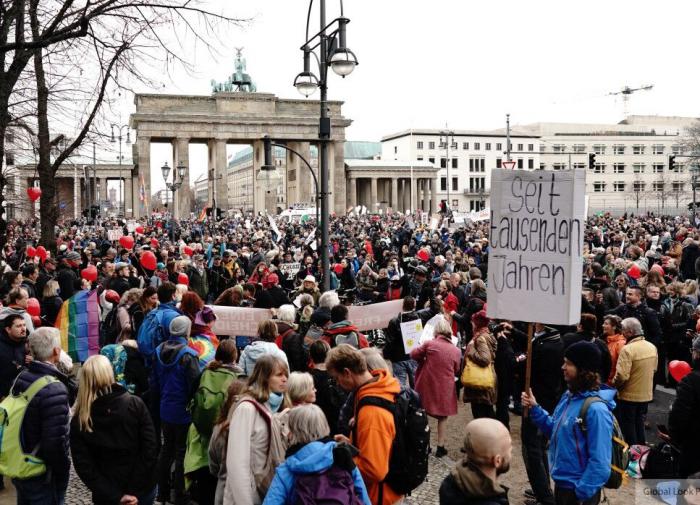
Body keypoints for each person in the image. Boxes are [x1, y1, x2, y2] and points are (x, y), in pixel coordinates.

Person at [522, 341, 615, 505]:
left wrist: (581, 492)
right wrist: (535, 408)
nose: (563, 367)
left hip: (578, 492)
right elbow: (556, 431)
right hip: (563, 485)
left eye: (569, 363)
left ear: (584, 370)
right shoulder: (568, 397)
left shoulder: (596, 410)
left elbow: (600, 462)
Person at [70, 355, 158, 505]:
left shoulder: (81, 419)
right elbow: (150, 449)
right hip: (141, 490)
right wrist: (133, 491)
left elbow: (84, 466)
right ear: (110, 373)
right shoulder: (135, 405)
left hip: (107, 495)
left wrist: (114, 495)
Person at [325, 344, 403, 505]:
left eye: (336, 378)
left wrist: (343, 457)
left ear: (347, 372)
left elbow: (374, 470)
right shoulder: (378, 388)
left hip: (379, 497)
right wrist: (351, 444)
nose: (337, 384)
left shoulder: (372, 411)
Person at [262, 404, 371, 505]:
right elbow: (363, 495)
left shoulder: (287, 469)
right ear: (324, 425)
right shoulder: (342, 456)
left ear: (293, 432)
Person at [9, 327, 71, 504]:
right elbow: (54, 443)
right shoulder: (54, 389)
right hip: (42, 473)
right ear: (56, 351)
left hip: (22, 461)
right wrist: (63, 469)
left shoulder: (21, 377)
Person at [224, 354, 288, 505]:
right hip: (247, 497)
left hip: (266, 493)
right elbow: (237, 463)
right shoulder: (246, 408)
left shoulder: (276, 407)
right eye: (279, 375)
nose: (284, 379)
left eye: (286, 375)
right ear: (264, 377)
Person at [152, 315, 201, 505]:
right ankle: (179, 494)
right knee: (181, 452)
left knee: (166, 450)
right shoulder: (189, 355)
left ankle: (161, 492)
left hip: (165, 408)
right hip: (182, 411)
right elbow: (195, 384)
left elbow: (154, 381)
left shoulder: (158, 351)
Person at [185, 339, 240, 505]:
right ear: (235, 356)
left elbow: (190, 397)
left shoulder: (205, 372)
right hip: (224, 434)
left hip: (201, 432)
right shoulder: (238, 377)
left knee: (204, 477)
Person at [518, 322, 564, 505]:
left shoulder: (546, 346)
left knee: (532, 450)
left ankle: (544, 496)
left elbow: (526, 367)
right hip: (543, 400)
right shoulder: (551, 340)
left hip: (538, 400)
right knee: (539, 448)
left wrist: (514, 359)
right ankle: (542, 488)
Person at [410, 316, 461, 458]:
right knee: (442, 417)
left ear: (436, 331)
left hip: (427, 384)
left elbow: (413, 354)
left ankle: (425, 445)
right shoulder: (456, 351)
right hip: (445, 387)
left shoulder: (429, 344)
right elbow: (456, 369)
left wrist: (423, 358)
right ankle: (440, 446)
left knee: (423, 413)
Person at [439, 418, 512, 505]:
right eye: (509, 450)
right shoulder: (491, 501)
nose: (511, 454)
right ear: (497, 461)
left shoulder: (450, 483)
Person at [612, 317, 658, 446]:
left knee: (628, 426)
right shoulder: (652, 347)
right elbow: (654, 369)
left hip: (628, 395)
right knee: (639, 422)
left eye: (623, 330)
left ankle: (632, 453)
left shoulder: (628, 349)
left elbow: (621, 376)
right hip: (645, 394)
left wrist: (615, 385)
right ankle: (642, 450)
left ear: (630, 332)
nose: (622, 333)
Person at [667, 335, 700, 477]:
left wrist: (674, 438)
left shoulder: (691, 380)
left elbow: (679, 415)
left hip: (693, 444)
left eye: (693, 350)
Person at [463, 310, 497, 419]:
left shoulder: (480, 338)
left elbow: (485, 358)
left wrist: (471, 351)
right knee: (486, 412)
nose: (471, 324)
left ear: (477, 323)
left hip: (480, 383)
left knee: (481, 414)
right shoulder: (486, 335)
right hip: (484, 380)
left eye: (473, 322)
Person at [0, 313, 28, 398]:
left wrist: (33, 361)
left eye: (24, 325)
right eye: (19, 326)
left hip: (24, 394)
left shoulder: (29, 343)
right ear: (8, 329)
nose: (23, 329)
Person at [275, 304, 306, 372]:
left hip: (275, 369)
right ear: (292, 316)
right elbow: (297, 360)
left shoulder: (272, 329)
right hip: (288, 372)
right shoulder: (294, 336)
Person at [602, 315, 626, 385]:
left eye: (606, 324)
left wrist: (613, 382)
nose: (603, 325)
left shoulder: (621, 344)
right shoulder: (604, 339)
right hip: (604, 381)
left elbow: (621, 367)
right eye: (603, 323)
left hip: (611, 385)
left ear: (614, 327)